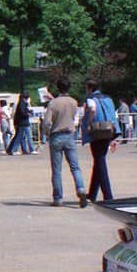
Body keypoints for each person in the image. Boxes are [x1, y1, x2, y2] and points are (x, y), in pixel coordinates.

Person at [43, 78, 87, 208]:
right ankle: (81, 189)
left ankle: (58, 197)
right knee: (75, 166)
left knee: (57, 169)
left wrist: (47, 133)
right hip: (70, 135)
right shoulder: (73, 102)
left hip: (56, 135)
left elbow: (47, 122)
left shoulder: (53, 103)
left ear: (58, 88)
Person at [81, 79, 120, 202]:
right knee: (99, 161)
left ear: (89, 88)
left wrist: (89, 122)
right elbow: (113, 115)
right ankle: (92, 194)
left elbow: (92, 109)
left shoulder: (91, 98)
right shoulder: (108, 98)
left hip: (97, 131)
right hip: (108, 130)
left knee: (100, 161)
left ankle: (108, 195)